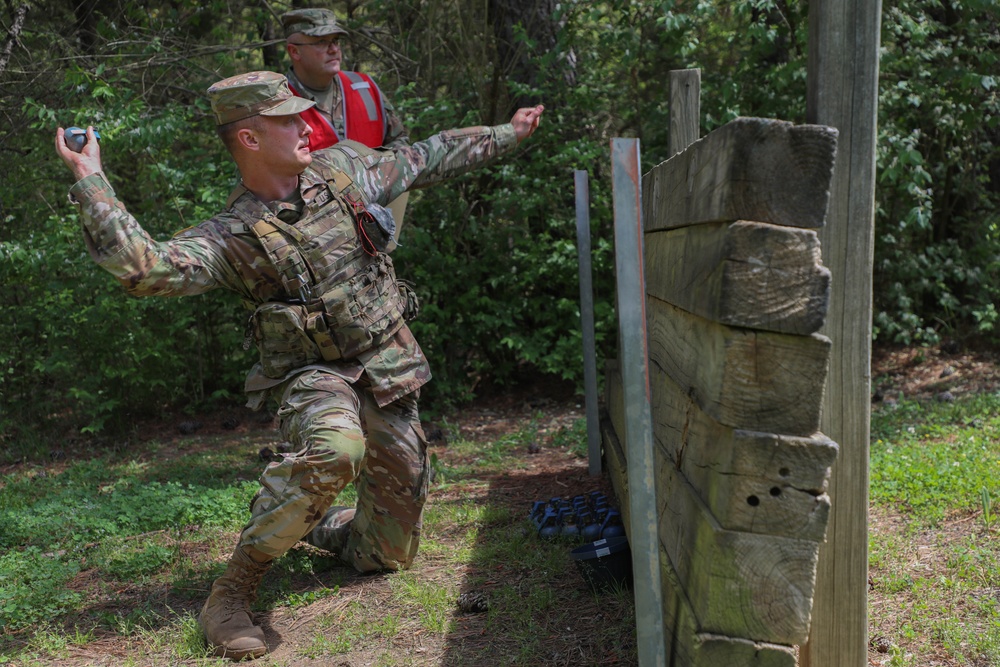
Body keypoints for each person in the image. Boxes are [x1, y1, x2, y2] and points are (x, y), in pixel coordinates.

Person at [55, 71, 543, 661]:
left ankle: (319, 524)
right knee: (337, 448)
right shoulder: (232, 235)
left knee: (385, 557)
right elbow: (147, 269)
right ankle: (232, 592)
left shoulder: (346, 172)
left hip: (385, 366)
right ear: (251, 139)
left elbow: (427, 154)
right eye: (287, 119)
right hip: (312, 377)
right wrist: (91, 180)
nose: (305, 125)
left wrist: (509, 133)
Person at [280, 7, 413, 233]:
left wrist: (385, 179)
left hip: (378, 228)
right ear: (295, 52)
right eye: (321, 42)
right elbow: (267, 180)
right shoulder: (278, 104)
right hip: (318, 238)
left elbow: (399, 142)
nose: (333, 49)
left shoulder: (365, 88)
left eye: (336, 41)